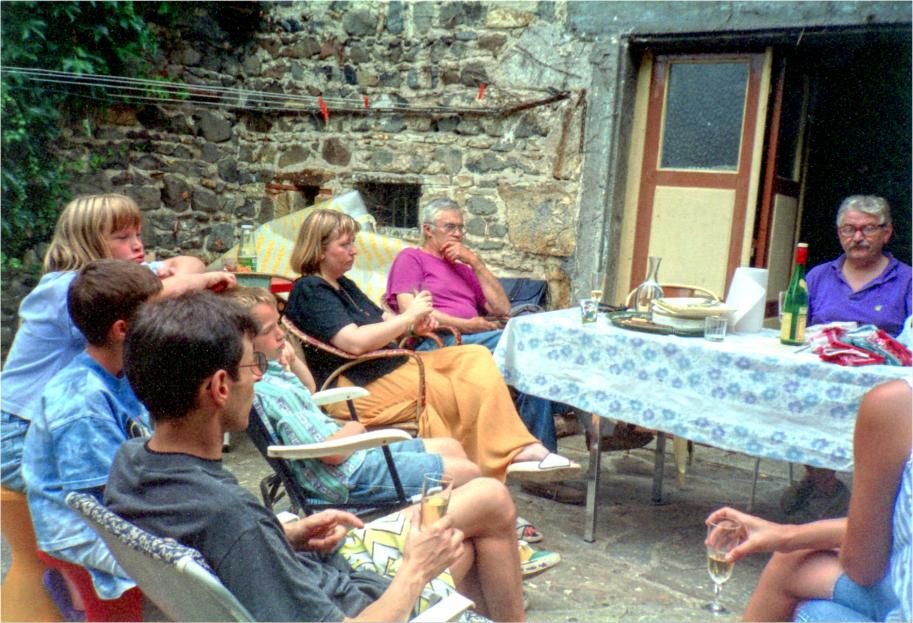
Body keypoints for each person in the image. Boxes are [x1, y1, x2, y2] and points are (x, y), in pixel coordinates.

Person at [106, 291, 529, 621]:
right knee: (488, 508)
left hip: (310, 573)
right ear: (219, 387)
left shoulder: (132, 462)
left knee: (471, 543)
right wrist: (416, 568)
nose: (258, 376)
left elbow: (228, 547)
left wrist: (284, 535)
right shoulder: (232, 517)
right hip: (355, 604)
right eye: (254, 364)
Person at [283, 208, 580, 482]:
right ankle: (502, 458)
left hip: (386, 367)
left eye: (353, 242)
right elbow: (354, 342)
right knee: (458, 385)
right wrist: (408, 318)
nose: (354, 250)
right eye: (345, 245)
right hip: (359, 382)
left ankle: (519, 447)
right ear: (320, 250)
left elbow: (386, 319)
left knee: (475, 357)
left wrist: (415, 323)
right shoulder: (310, 289)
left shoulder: (343, 283)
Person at [1, 193, 234, 492]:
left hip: (80, 423)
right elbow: (149, 298)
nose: (137, 245)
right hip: (22, 433)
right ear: (88, 243)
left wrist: (183, 273)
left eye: (138, 234)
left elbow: (191, 261)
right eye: (123, 237)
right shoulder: (64, 289)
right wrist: (198, 282)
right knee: (148, 489)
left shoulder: (123, 280)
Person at [384, 198, 586, 505]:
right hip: (437, 343)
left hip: (477, 338)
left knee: (534, 354)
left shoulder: (464, 269)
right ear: (428, 230)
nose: (458, 234)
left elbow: (503, 308)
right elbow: (410, 312)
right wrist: (467, 324)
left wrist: (476, 263)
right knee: (527, 353)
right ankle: (556, 440)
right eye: (449, 227)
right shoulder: (412, 259)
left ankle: (546, 450)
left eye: (461, 228)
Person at [225, 286, 481, 503]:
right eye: (270, 330)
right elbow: (330, 454)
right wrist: (356, 428)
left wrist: (289, 360)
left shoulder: (268, 371)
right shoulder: (266, 391)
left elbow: (310, 389)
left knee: (452, 446)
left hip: (353, 455)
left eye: (278, 324)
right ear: (244, 342)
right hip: (347, 476)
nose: (281, 334)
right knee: (469, 474)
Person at [706, 378, 911, 622]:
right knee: (794, 559)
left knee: (813, 610)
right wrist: (787, 536)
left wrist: (788, 537)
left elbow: (864, 566)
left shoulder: (896, 405)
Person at [21, 260, 163, 611]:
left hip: (112, 514)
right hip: (80, 533)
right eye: (157, 316)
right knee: (182, 572)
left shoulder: (121, 372)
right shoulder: (81, 400)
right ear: (122, 330)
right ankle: (79, 601)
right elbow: (105, 504)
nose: (166, 326)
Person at [783, 195, 912, 516]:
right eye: (849, 229)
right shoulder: (817, 276)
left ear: (887, 232)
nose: (857, 237)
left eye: (868, 229)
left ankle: (859, 500)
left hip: (879, 388)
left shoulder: (908, 280)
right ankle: (824, 483)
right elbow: (797, 331)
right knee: (785, 396)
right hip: (819, 381)